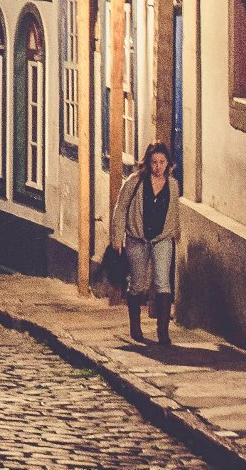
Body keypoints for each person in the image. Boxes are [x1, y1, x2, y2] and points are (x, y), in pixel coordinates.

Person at [111, 141, 181, 345]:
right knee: (138, 284)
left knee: (162, 282)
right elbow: (121, 208)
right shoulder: (135, 182)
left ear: (168, 163)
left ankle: (163, 332)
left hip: (162, 239)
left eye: (162, 162)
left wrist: (174, 233)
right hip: (137, 239)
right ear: (148, 163)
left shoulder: (173, 185)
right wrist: (117, 237)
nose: (158, 166)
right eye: (154, 162)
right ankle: (135, 326)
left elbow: (174, 211)